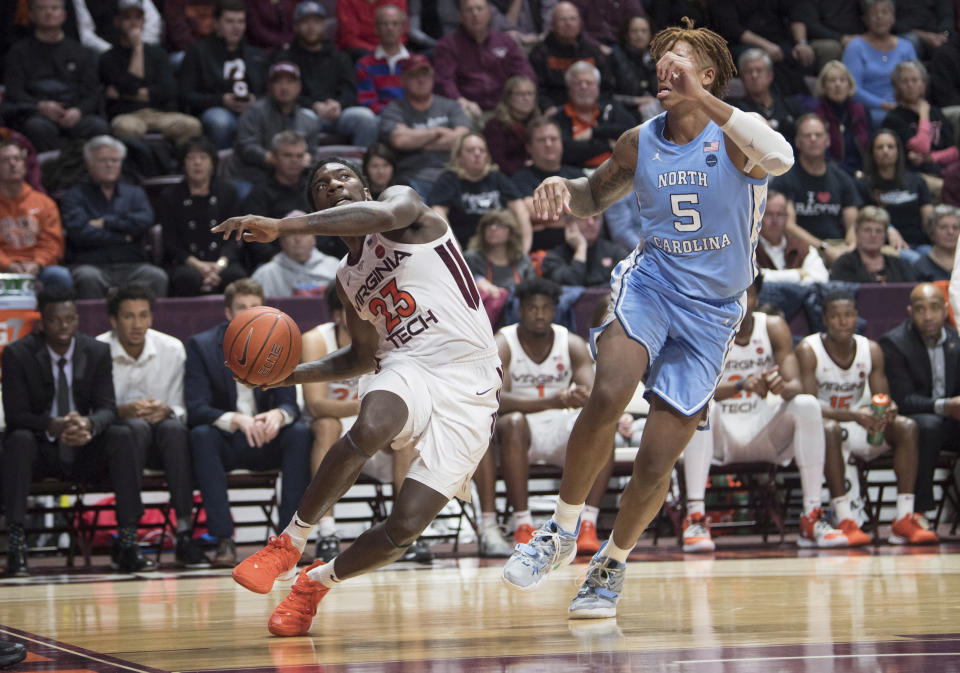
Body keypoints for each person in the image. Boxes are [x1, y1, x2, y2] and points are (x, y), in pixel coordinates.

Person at [500, 18, 794, 618]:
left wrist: (703, 97)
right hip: (652, 283)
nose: (665, 68)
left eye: (679, 60)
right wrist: (563, 187)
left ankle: (611, 563)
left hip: (714, 311)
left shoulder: (737, 137)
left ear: (708, 75)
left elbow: (781, 157)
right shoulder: (640, 140)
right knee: (608, 391)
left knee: (660, 457)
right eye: (660, 60)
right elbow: (592, 193)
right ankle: (558, 531)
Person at [212, 156, 501, 637]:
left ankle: (315, 583)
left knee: (405, 529)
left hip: (471, 381)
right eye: (321, 184)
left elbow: (382, 218)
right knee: (370, 425)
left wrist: (283, 226)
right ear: (317, 205)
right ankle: (290, 540)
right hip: (408, 365)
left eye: (343, 177)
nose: (333, 185)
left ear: (366, 188)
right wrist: (284, 377)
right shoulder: (347, 281)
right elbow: (363, 357)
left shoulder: (406, 209)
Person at [680, 275, 843, 552]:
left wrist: (782, 386)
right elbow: (694, 389)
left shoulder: (774, 327)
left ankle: (812, 516)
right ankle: (695, 517)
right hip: (722, 433)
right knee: (701, 407)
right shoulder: (708, 326)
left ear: (756, 299)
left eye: (748, 295)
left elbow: (797, 384)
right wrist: (741, 385)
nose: (741, 301)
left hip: (763, 427)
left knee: (807, 404)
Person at [2, 286, 153, 576]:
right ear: (42, 323)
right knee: (17, 440)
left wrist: (88, 424)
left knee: (122, 435)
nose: (64, 326)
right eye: (56, 320)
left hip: (86, 447)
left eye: (70, 319)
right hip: (41, 449)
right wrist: (52, 425)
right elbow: (16, 415)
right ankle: (17, 546)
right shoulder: (17, 354)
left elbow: (108, 407)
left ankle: (128, 544)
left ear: (77, 320)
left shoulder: (96, 351)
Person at [185, 278, 312, 568]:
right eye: (241, 308)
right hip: (228, 440)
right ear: (229, 313)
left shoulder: (280, 342)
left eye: (255, 307)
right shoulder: (202, 347)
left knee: (300, 433)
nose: (249, 313)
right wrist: (236, 419)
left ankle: (288, 539)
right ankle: (223, 539)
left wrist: (278, 415)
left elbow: (289, 404)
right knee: (201, 435)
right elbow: (196, 408)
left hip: (267, 439)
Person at [299, 284, 431, 563]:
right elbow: (316, 404)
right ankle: (327, 531)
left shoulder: (391, 339)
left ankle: (405, 533)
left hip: (380, 430)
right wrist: (367, 408)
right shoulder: (316, 340)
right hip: (345, 424)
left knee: (405, 433)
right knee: (325, 424)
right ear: (338, 315)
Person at [480, 277, 609, 556]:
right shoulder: (504, 341)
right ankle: (522, 523)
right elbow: (493, 400)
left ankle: (588, 523)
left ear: (554, 310)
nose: (539, 314)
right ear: (520, 310)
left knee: (601, 427)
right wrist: (552, 399)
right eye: (532, 308)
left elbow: (590, 392)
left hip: (563, 427)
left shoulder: (571, 343)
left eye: (546, 308)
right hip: (520, 432)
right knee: (512, 424)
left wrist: (580, 396)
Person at [796, 291, 938, 545]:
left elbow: (882, 397)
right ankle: (844, 518)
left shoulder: (870, 349)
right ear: (825, 319)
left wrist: (890, 408)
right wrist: (853, 414)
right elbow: (808, 405)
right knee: (829, 429)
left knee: (906, 426)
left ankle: (904, 518)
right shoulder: (809, 349)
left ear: (857, 318)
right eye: (836, 316)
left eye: (848, 315)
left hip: (861, 425)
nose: (843, 321)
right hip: (826, 432)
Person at [96, 284, 210, 568]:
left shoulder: (172, 348)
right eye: (129, 316)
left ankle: (184, 533)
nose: (138, 324)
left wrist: (166, 409)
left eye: (143, 315)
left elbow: (186, 407)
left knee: (173, 429)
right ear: (113, 320)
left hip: (164, 445)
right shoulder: (97, 349)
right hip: (115, 448)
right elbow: (92, 411)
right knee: (133, 429)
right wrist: (121, 411)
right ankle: (129, 539)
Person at [879, 283, 960, 520]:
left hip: (952, 420)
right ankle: (918, 511)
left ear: (946, 310)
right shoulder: (894, 343)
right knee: (927, 426)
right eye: (920, 309)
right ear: (909, 312)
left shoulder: (957, 340)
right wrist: (946, 406)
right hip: (914, 422)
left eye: (934, 308)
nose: (928, 316)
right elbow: (902, 399)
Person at [60, 135, 168, 299]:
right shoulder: (74, 195)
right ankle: (93, 326)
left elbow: (145, 221)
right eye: (103, 161)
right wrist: (125, 236)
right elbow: (80, 232)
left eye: (114, 160)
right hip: (91, 265)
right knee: (86, 278)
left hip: (132, 265)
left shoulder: (135, 193)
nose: (110, 165)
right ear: (89, 165)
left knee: (156, 276)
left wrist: (105, 222)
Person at [1, 0, 109, 152]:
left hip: (73, 113)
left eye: (54, 8)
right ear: (31, 15)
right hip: (36, 113)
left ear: (64, 15)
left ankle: (84, 169)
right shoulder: (18, 52)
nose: (49, 13)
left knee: (98, 126)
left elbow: (92, 93)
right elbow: (14, 91)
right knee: (36, 127)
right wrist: (39, 106)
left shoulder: (81, 53)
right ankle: (54, 170)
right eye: (42, 8)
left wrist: (78, 111)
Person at [98, 0, 202, 147]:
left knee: (192, 125)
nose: (133, 23)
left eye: (137, 18)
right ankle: (136, 167)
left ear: (143, 21)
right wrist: (138, 50)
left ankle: (180, 166)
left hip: (159, 114)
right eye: (127, 18)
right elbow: (130, 85)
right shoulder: (108, 57)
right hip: (128, 115)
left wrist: (129, 94)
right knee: (126, 128)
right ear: (117, 22)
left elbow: (169, 90)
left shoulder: (157, 54)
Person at [278, 1, 379, 149]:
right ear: (295, 26)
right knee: (300, 119)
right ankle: (305, 169)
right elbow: (283, 93)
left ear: (324, 25)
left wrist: (338, 104)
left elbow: (350, 89)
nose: (311, 27)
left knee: (366, 118)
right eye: (305, 22)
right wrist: (314, 106)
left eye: (316, 22)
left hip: (338, 112)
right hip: (306, 111)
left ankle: (362, 169)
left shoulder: (339, 57)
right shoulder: (286, 58)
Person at [158, 136, 245, 296]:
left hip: (222, 261)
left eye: (203, 157)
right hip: (187, 262)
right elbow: (171, 242)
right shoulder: (170, 196)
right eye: (191, 158)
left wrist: (219, 265)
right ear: (183, 164)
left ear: (213, 163)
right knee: (186, 278)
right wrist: (200, 266)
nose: (197, 163)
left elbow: (235, 237)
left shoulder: (228, 193)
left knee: (236, 277)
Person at [772, 114, 860, 264]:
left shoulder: (842, 178)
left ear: (827, 141)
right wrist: (823, 248)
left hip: (839, 246)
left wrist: (851, 248)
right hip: (801, 249)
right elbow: (788, 226)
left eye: (818, 135)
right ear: (798, 142)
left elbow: (853, 223)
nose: (813, 139)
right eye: (807, 135)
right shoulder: (785, 178)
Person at [379, 54, 470, 197]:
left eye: (425, 75)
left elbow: (464, 138)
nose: (421, 80)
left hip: (454, 173)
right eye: (414, 75)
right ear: (403, 80)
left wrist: (416, 138)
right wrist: (436, 133)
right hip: (413, 177)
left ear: (433, 78)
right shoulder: (394, 109)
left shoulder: (451, 106)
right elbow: (400, 141)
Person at [179, 0, 266, 149]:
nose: (236, 27)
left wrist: (254, 100)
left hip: (250, 110)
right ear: (217, 23)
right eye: (230, 21)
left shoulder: (255, 54)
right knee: (220, 122)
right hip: (214, 109)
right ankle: (221, 168)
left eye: (240, 21)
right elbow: (186, 94)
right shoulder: (198, 51)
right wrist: (221, 100)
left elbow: (266, 91)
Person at [427, 132, 531, 251]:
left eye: (481, 150)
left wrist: (523, 248)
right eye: (470, 150)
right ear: (459, 156)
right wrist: (454, 248)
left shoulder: (497, 178)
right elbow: (438, 213)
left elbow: (520, 210)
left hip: (499, 249)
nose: (477, 154)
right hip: (464, 249)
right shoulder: (449, 179)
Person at [433, 0, 536, 118]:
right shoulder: (448, 45)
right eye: (469, 10)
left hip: (506, 107)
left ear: (489, 12)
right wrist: (460, 100)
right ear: (460, 16)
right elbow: (444, 81)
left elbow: (525, 73)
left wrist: (521, 94)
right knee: (462, 113)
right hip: (470, 109)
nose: (475, 14)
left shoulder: (506, 42)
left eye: (479, 9)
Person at [227, 62, 318, 192]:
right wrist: (277, 159)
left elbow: (313, 154)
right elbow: (247, 148)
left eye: (290, 82)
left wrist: (307, 159)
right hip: (250, 178)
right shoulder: (253, 111)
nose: (284, 87)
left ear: (299, 87)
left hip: (291, 181)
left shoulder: (308, 120)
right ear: (269, 86)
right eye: (279, 82)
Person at [882, 60, 959, 201]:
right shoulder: (894, 119)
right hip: (915, 175)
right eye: (905, 81)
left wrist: (931, 157)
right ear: (897, 86)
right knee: (949, 188)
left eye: (915, 80)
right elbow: (921, 146)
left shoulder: (936, 113)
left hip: (946, 171)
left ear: (923, 84)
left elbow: (953, 151)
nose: (910, 85)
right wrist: (924, 114)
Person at [0, 141, 72, 288]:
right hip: (3, 267)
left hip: (38, 267)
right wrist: (9, 265)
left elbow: (52, 243)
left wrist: (37, 264)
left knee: (60, 276)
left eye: (17, 159)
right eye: (5, 160)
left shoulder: (44, 202)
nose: (13, 164)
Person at [239, 130, 312, 270]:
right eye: (287, 155)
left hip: (313, 259)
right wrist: (277, 260)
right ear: (274, 158)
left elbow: (326, 229)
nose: (294, 160)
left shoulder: (314, 189)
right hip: (273, 263)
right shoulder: (259, 194)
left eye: (299, 156)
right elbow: (253, 236)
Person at [511, 118, 586, 251]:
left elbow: (591, 213)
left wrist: (546, 221)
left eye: (553, 138)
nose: (548, 144)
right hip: (539, 252)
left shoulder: (578, 175)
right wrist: (573, 212)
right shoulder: (520, 178)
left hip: (581, 248)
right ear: (529, 147)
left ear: (561, 142)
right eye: (541, 140)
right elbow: (535, 213)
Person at [855, 129, 931, 259]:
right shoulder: (863, 184)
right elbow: (863, 219)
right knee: (915, 259)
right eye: (880, 147)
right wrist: (887, 228)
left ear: (898, 151)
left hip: (919, 243)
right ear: (872, 153)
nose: (885, 151)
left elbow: (929, 221)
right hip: (886, 245)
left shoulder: (917, 181)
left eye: (890, 146)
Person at [842, 0, 917, 127]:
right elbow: (853, 89)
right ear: (865, 19)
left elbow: (917, 80)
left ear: (893, 18)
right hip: (869, 110)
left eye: (885, 12)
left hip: (904, 107)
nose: (879, 17)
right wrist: (884, 105)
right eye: (874, 13)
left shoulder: (906, 47)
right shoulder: (854, 47)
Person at [528, 2, 610, 111]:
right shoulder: (540, 53)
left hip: (592, 109)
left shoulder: (593, 50)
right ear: (552, 25)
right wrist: (547, 107)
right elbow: (537, 89)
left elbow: (606, 86)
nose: (568, 24)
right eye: (563, 20)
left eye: (573, 19)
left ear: (580, 23)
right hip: (556, 109)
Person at [555, 61, 636, 170]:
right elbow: (566, 151)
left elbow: (631, 131)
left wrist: (594, 131)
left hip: (619, 171)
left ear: (597, 88)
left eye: (589, 82)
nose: (584, 87)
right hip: (578, 176)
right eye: (578, 83)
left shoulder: (611, 108)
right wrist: (607, 144)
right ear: (569, 90)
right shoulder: (559, 117)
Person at [756, 190, 829, 285]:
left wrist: (772, 277)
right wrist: (799, 275)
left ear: (787, 217)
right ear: (758, 217)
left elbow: (821, 279)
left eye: (780, 215)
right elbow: (752, 279)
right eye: (769, 214)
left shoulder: (801, 247)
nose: (774, 221)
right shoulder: (749, 247)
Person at [729, 49, 800, 146]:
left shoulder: (789, 105)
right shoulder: (735, 108)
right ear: (742, 78)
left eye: (759, 70)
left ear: (770, 75)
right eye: (749, 71)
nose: (754, 75)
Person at [541, 213, 629, 288]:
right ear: (569, 223)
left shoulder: (615, 252)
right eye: (583, 217)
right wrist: (581, 248)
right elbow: (570, 285)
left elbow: (624, 286)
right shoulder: (553, 259)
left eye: (595, 218)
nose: (591, 222)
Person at [830, 205, 917, 282]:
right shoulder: (843, 264)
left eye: (879, 231)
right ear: (857, 233)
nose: (873, 235)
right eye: (867, 230)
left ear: (885, 235)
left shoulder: (899, 265)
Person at [813, 61, 870, 177]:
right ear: (824, 86)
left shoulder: (861, 110)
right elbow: (822, 156)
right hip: (832, 175)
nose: (838, 84)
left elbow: (871, 146)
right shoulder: (817, 115)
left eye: (842, 80)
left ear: (849, 85)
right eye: (832, 81)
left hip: (864, 173)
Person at [464, 209, 536, 299]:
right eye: (488, 225)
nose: (493, 228)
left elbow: (533, 289)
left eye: (500, 225)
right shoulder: (471, 258)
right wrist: (477, 280)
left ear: (511, 232)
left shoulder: (522, 259)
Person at [355, 5, 411, 115]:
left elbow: (422, 98)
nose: (390, 28)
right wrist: (393, 115)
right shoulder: (364, 65)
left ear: (403, 28)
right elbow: (367, 101)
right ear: (376, 29)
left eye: (395, 23)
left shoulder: (415, 62)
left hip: (412, 117)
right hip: (380, 118)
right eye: (384, 24)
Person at [251, 230, 339, 297]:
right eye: (291, 233)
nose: (298, 239)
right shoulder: (265, 274)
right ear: (281, 240)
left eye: (303, 233)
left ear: (314, 238)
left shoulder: (335, 267)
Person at [482, 76, 539, 177]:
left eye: (530, 94)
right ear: (508, 97)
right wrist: (524, 167)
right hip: (511, 176)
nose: (526, 98)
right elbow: (497, 161)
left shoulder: (539, 123)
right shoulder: (495, 126)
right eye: (520, 94)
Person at [608, 15, 658, 121]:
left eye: (644, 31)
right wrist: (639, 101)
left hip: (656, 107)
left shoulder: (656, 57)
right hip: (625, 111)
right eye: (634, 31)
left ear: (650, 34)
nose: (639, 35)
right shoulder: (615, 57)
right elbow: (608, 95)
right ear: (626, 35)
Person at [914, 205, 960, 281]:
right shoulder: (921, 267)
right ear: (932, 232)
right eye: (943, 227)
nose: (950, 232)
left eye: (955, 227)